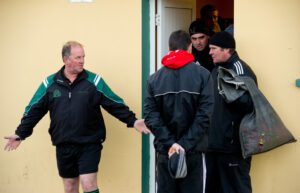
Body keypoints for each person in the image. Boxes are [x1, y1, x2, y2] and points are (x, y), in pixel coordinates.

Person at [4, 41, 151, 193]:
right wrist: (21, 133)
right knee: (70, 187)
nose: (82, 61)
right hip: (64, 144)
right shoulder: (50, 83)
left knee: (88, 184)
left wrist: (132, 121)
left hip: (89, 143)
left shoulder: (94, 81)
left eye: (83, 57)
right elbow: (34, 109)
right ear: (66, 59)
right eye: (78, 57)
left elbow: (113, 103)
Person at [144, 30, 214, 193]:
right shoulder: (203, 75)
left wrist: (171, 144)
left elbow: (151, 117)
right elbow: (204, 116)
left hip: (165, 153)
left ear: (169, 49)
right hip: (193, 152)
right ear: (190, 47)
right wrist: (183, 145)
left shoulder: (154, 79)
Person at [206, 31, 257, 193]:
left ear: (227, 50)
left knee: (236, 188)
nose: (210, 52)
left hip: (233, 146)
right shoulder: (216, 70)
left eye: (214, 48)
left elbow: (251, 104)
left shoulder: (240, 69)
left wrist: (231, 95)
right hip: (213, 145)